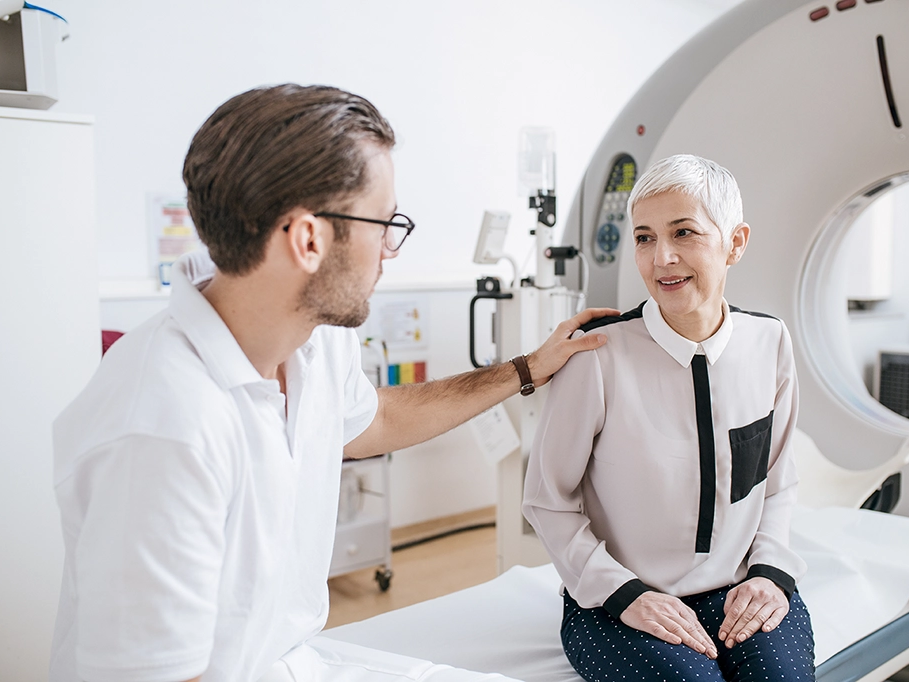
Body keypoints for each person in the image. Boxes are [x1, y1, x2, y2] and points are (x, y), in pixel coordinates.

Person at [49, 84, 618, 682]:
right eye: (383, 224)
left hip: (287, 660)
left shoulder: (316, 338)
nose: (389, 251)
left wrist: (524, 369)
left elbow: (377, 419)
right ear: (309, 239)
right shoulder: (163, 427)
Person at [522, 154, 816, 682]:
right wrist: (626, 595)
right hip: (619, 604)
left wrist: (770, 574)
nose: (662, 258)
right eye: (644, 237)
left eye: (684, 232)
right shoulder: (597, 355)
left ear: (736, 242)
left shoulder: (768, 341)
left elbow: (777, 482)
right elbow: (548, 501)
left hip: (741, 589)